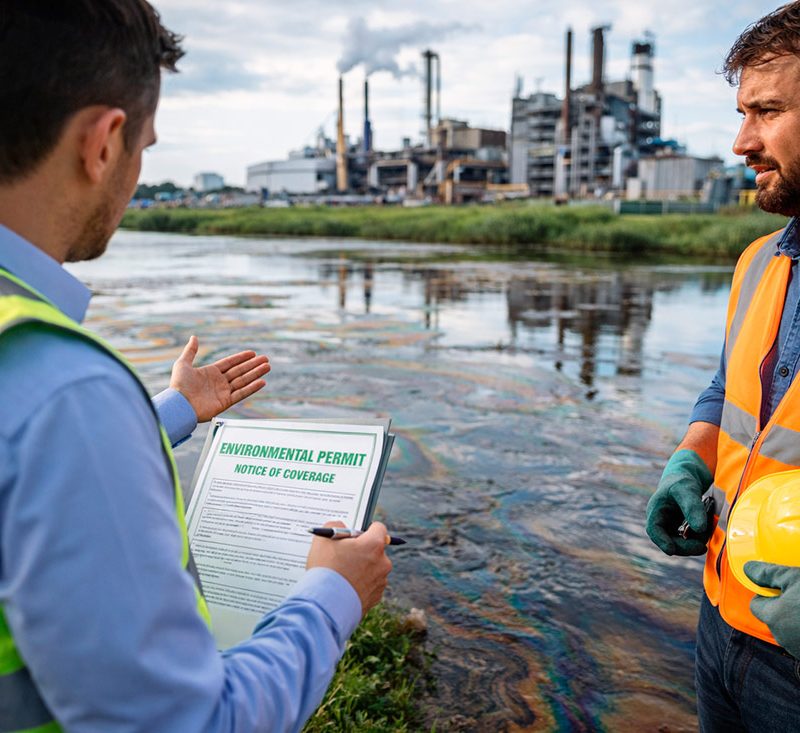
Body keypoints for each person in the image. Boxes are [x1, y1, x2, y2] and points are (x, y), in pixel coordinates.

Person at [0, 2, 392, 731]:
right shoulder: (66, 393)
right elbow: (189, 722)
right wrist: (331, 594)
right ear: (105, 142)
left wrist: (164, 414)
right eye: (145, 145)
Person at [645, 3, 800, 730]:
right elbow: (728, 390)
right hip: (723, 624)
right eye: (742, 111)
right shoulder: (758, 262)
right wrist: (687, 461)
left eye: (766, 111)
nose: (741, 141)